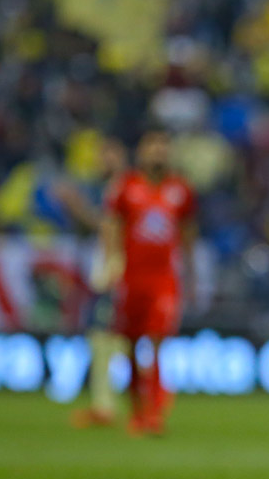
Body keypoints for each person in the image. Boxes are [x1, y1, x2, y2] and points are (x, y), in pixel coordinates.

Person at [100, 127, 197, 436]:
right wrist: (112, 261)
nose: (158, 151)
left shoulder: (180, 189)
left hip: (164, 279)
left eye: (162, 146)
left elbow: (188, 233)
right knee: (129, 344)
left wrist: (191, 272)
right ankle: (137, 411)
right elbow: (113, 225)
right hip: (132, 278)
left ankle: (155, 413)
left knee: (156, 343)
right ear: (141, 150)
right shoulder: (126, 187)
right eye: (152, 145)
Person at [70, 136, 130, 428]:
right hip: (111, 270)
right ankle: (105, 404)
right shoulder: (110, 189)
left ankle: (109, 405)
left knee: (107, 337)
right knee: (104, 338)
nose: (102, 160)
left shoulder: (123, 188)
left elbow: (112, 229)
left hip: (116, 272)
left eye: (109, 154)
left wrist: (113, 269)